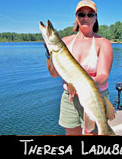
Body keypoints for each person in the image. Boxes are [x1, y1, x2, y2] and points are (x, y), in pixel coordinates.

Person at [46, 0, 114, 135]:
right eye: (81, 14)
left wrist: (86, 84)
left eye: (90, 14)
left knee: (95, 133)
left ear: (95, 18)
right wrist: (49, 54)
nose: (85, 18)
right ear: (76, 18)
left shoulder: (103, 43)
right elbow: (54, 73)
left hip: (94, 96)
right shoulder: (65, 42)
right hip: (69, 97)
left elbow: (103, 75)